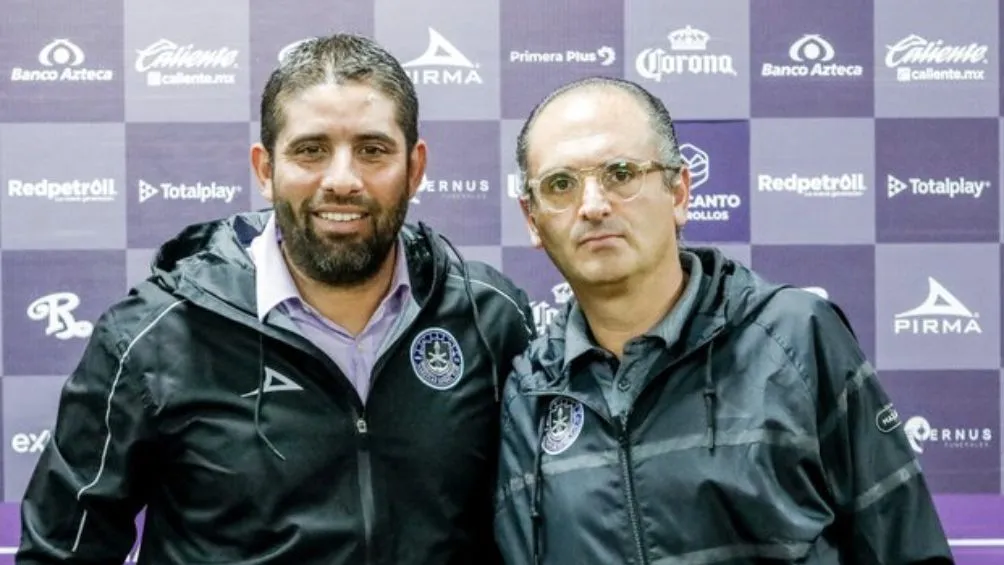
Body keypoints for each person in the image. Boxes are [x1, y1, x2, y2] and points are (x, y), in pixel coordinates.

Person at [17, 34, 535, 565]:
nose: (342, 180)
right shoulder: (153, 338)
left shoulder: (489, 319)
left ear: (415, 168)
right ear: (266, 170)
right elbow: (59, 554)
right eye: (311, 150)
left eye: (372, 150)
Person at [493, 76, 955, 565]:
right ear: (532, 219)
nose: (592, 206)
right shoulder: (531, 393)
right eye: (560, 185)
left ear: (679, 192)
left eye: (621, 173)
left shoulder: (795, 338)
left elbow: (909, 550)